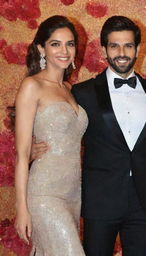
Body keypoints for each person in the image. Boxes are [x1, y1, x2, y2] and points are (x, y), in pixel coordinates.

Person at [31, 16, 146, 256]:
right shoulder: (82, 93)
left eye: (128, 45)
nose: (122, 52)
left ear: (138, 48)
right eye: (114, 46)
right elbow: (58, 124)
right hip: (99, 200)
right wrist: (33, 148)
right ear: (104, 50)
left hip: (144, 202)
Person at [14, 15, 87, 255]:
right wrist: (22, 207)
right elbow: (23, 154)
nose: (64, 50)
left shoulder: (69, 89)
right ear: (41, 48)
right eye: (55, 43)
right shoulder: (32, 86)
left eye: (69, 43)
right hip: (45, 193)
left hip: (73, 194)